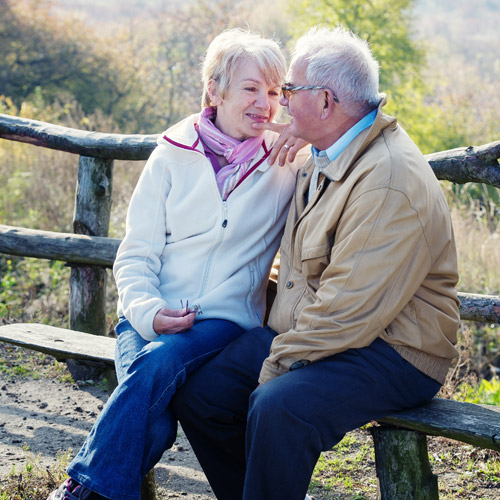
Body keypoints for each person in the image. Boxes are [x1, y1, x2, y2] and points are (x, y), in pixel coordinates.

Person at [172, 26, 460, 500]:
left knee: (277, 405)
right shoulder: (324, 152)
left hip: (395, 349)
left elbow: (347, 312)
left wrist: (274, 366)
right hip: (327, 330)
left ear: (325, 102)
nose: (280, 102)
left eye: (289, 91)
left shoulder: (387, 181)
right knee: (204, 393)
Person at [48, 28, 305, 500]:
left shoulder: (287, 161)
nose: (264, 104)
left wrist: (304, 132)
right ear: (215, 90)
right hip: (145, 316)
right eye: (250, 88)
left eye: (273, 92)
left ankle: (78, 489)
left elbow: (348, 141)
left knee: (159, 362)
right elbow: (137, 253)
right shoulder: (170, 155)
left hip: (224, 320)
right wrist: (147, 311)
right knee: (157, 415)